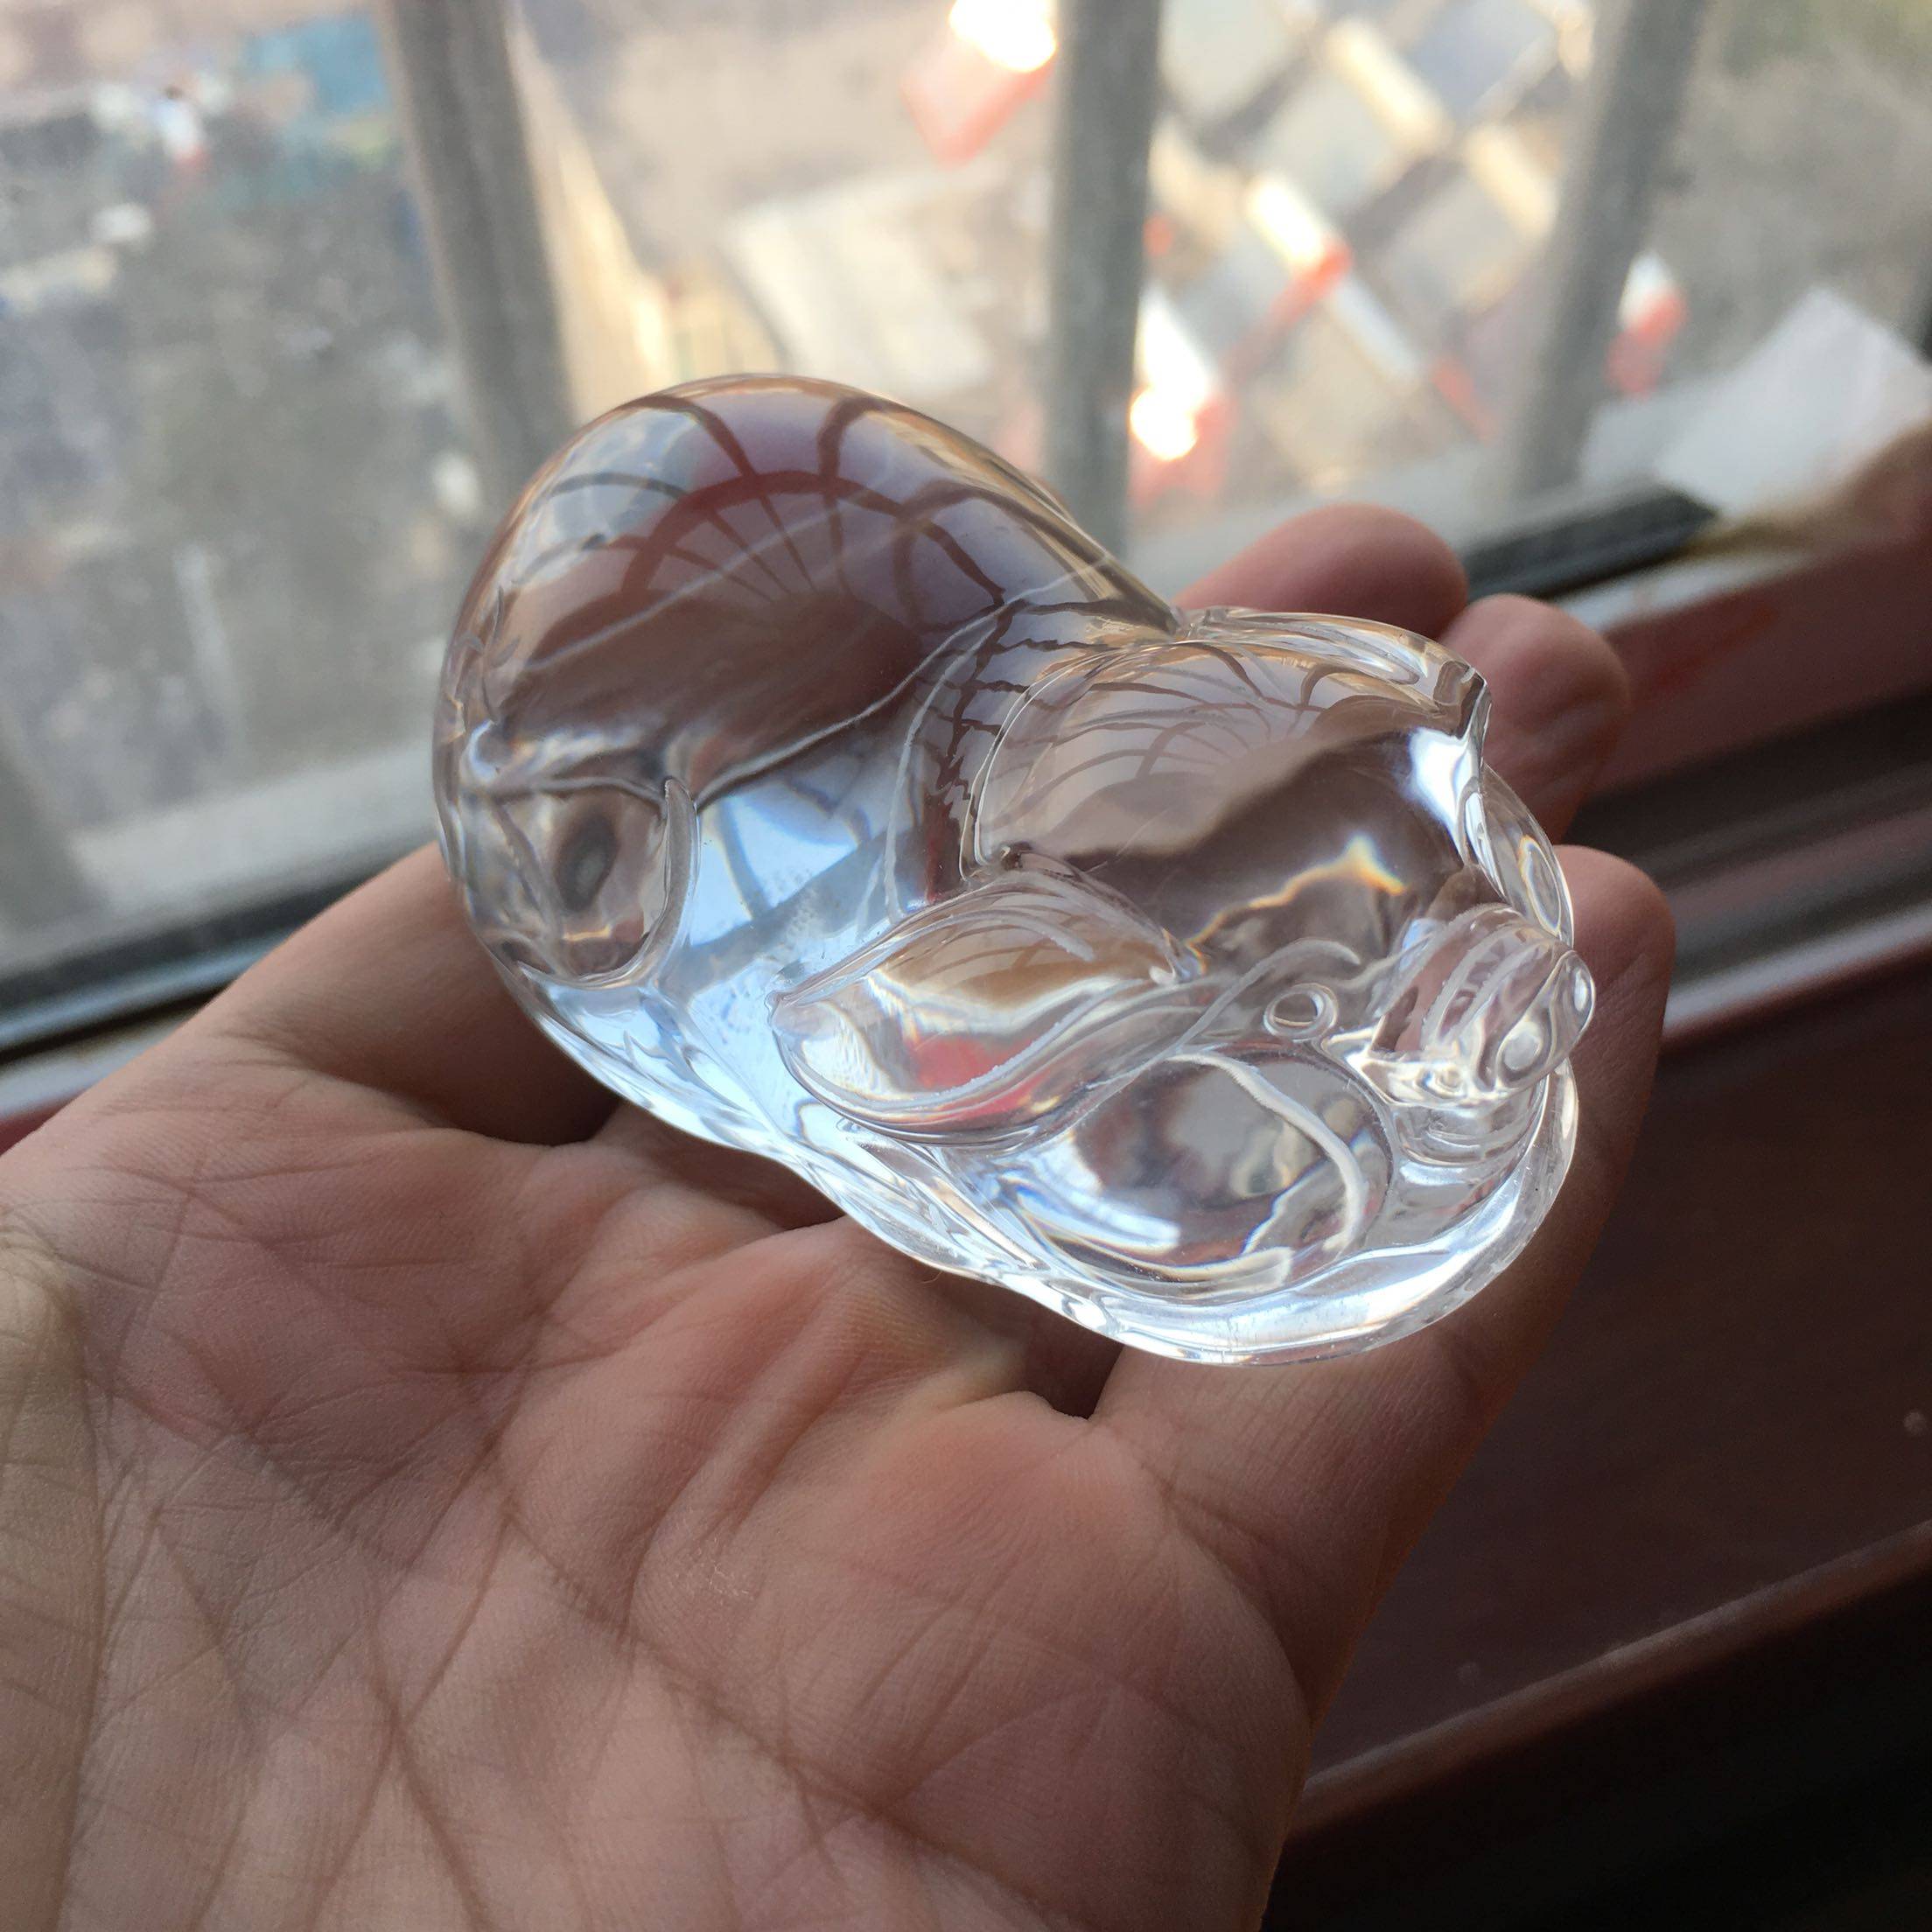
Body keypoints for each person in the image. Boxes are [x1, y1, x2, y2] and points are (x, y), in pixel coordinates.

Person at [0, 505, 1670, 1929]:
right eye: (1306, 1002)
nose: (1506, 982)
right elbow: (888, 1064)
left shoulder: (1234, 772)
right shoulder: (958, 1035)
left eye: (1446, 831)